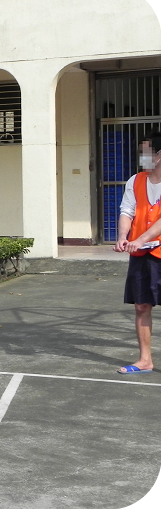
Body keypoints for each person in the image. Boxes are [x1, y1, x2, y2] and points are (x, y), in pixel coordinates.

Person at [113, 131, 161, 374]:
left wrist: (139, 239)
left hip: (153, 248)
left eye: (145, 152)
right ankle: (145, 360)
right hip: (143, 255)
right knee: (141, 305)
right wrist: (123, 236)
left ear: (159, 155)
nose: (141, 156)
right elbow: (127, 210)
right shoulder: (135, 181)